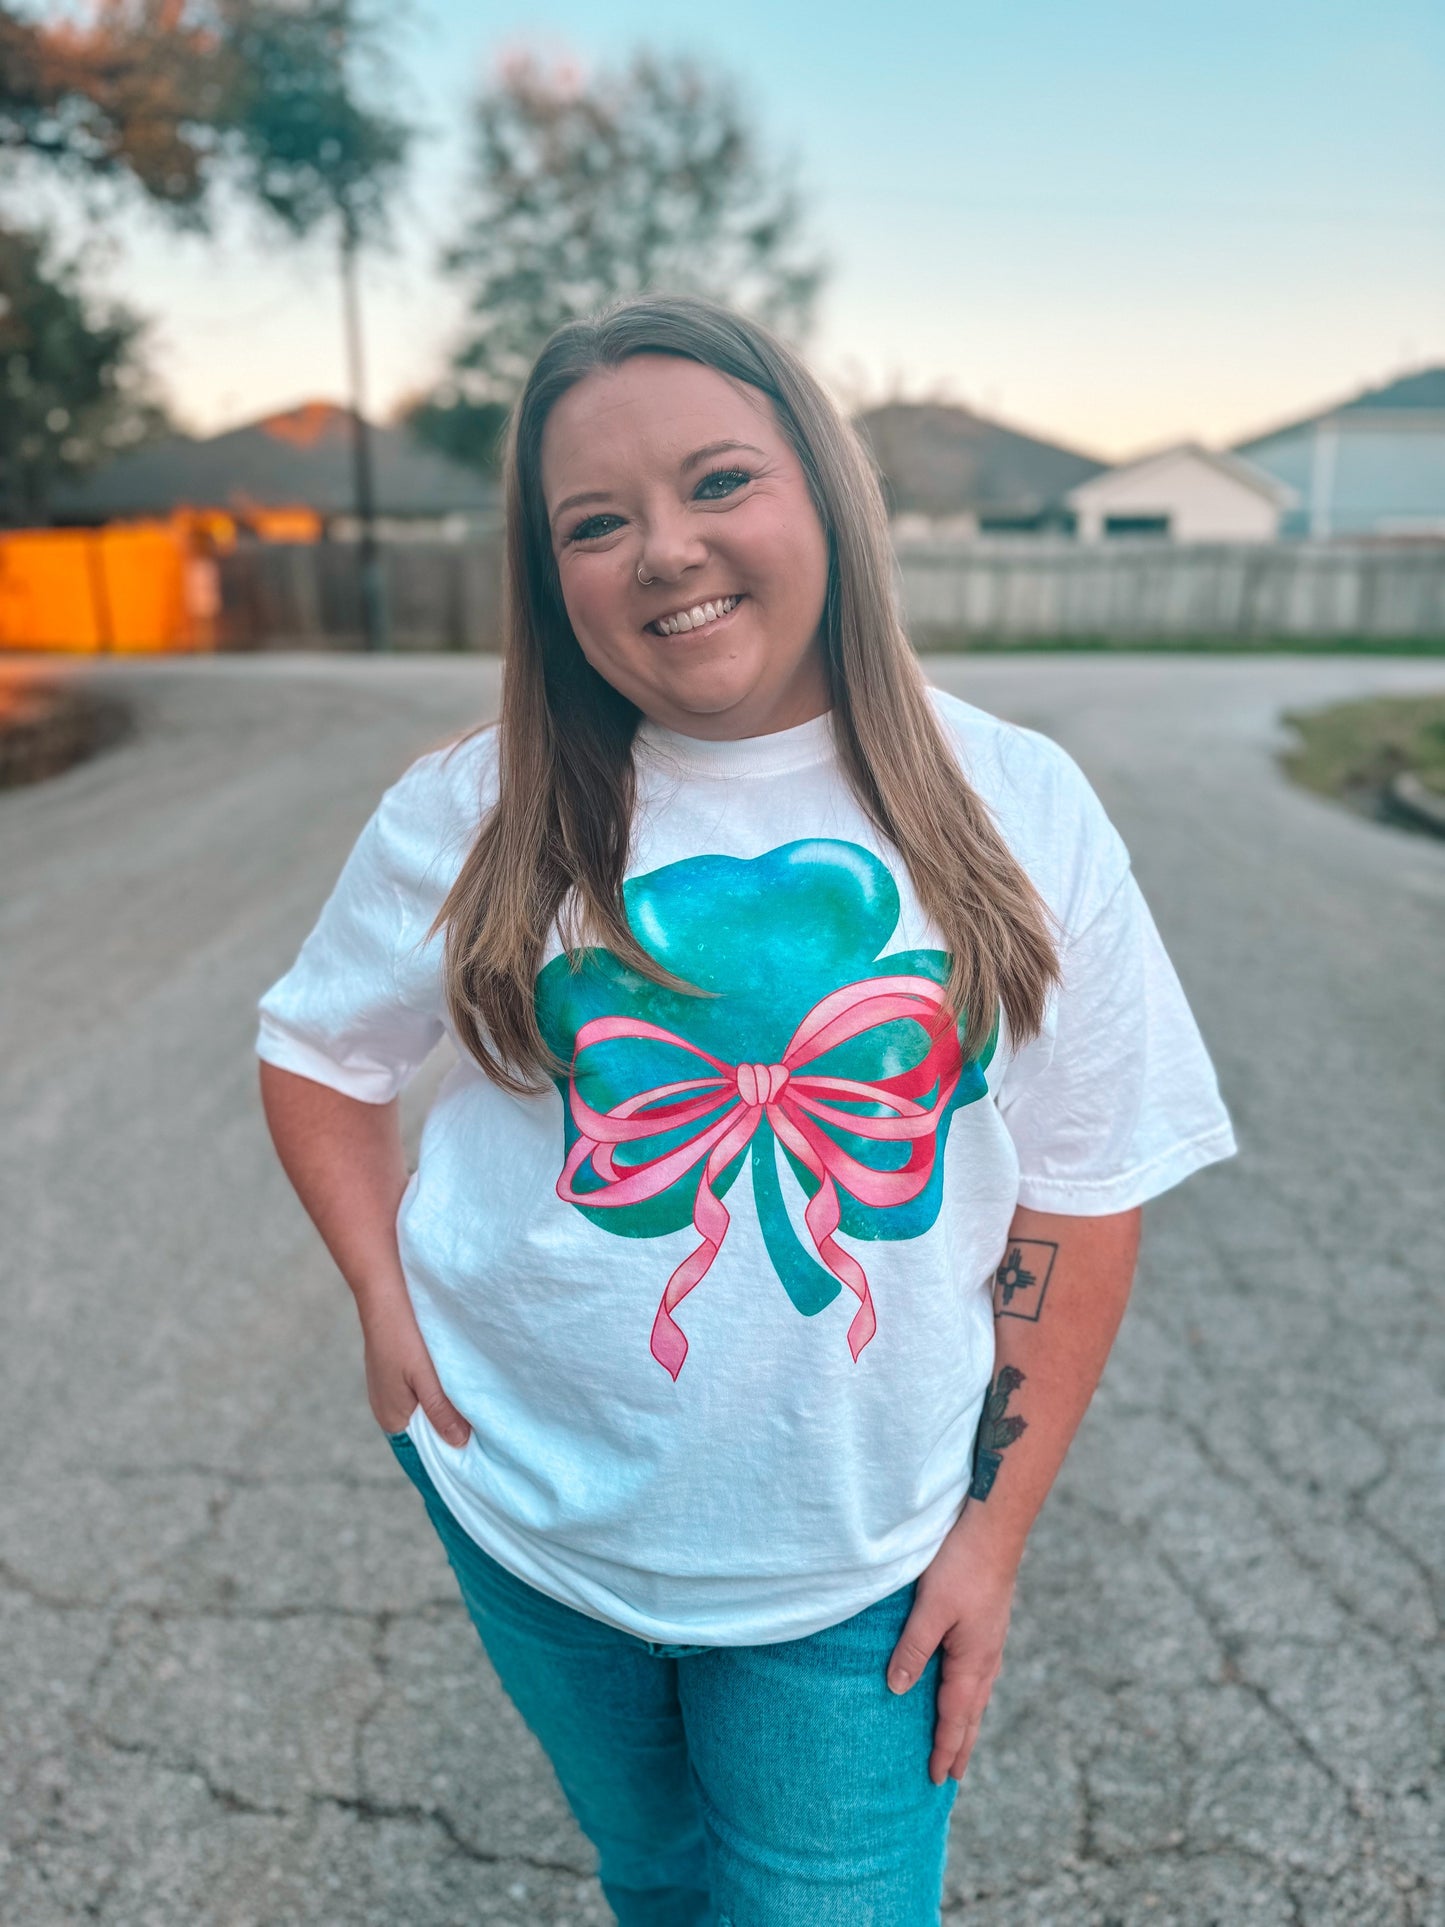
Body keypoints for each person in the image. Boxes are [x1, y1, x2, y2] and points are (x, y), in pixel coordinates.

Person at [256, 294, 1235, 1927]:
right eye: (594, 520)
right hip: (522, 1512)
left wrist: (986, 1545)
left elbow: (1082, 1184)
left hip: (851, 1575)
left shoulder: (1017, 805)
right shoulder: (468, 807)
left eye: (719, 481)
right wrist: (377, 1292)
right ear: (547, 572)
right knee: (651, 1870)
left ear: (826, 502)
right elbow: (316, 1053)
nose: (662, 547)